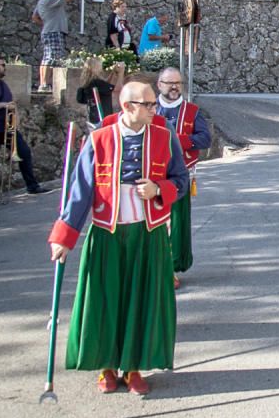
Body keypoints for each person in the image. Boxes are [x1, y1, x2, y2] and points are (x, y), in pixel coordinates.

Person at [48, 81, 189, 395]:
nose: (156, 109)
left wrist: (158, 190)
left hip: (148, 235)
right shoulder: (99, 139)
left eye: (155, 104)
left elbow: (181, 180)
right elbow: (80, 191)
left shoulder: (166, 138)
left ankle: (134, 368)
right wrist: (64, 237)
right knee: (106, 303)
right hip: (106, 235)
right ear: (128, 107)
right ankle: (107, 367)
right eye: (149, 104)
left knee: (141, 303)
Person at [156, 68, 211, 289]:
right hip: (152, 177)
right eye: (169, 83)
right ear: (159, 84)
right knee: (156, 225)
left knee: (176, 225)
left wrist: (177, 141)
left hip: (180, 177)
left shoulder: (192, 111)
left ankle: (171, 268)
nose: (174, 87)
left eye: (178, 83)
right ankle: (155, 268)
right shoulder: (151, 108)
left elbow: (204, 139)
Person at [0, 55, 49, 204]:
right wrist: (2, 105)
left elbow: (10, 104)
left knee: (24, 152)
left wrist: (14, 118)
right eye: (2, 65)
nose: (4, 67)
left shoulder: (2, 84)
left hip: (7, 128)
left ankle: (32, 185)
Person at [31, 0, 83, 92]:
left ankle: (44, 84)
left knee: (48, 57)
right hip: (53, 31)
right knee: (50, 58)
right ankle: (44, 85)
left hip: (49, 31)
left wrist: (46, 23)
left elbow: (34, 18)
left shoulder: (42, 0)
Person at [75, 57, 124, 128]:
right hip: (102, 117)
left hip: (93, 116)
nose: (101, 68)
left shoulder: (90, 82)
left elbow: (105, 84)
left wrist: (113, 72)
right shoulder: (97, 83)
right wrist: (121, 74)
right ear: (96, 68)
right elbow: (118, 88)